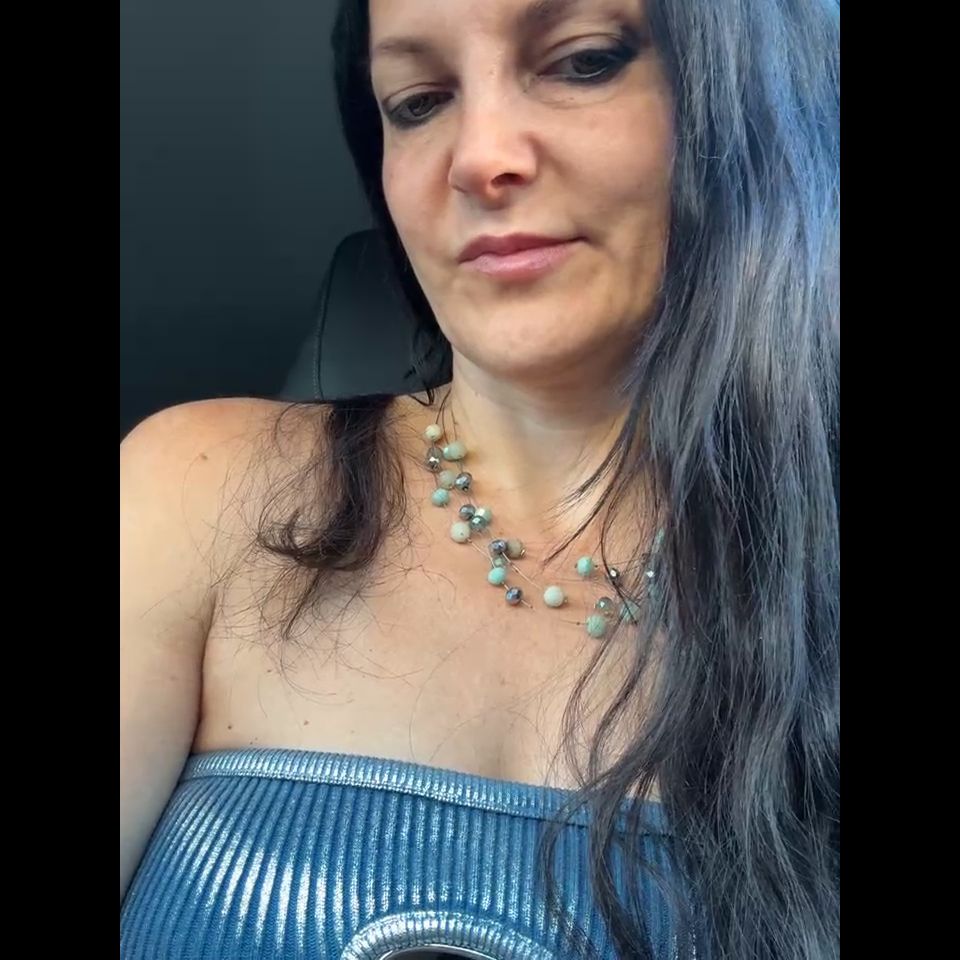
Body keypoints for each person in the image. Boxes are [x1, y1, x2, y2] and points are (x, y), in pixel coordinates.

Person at [120, 1, 840, 958]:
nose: (479, 156)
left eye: (584, 61)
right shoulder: (193, 491)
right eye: (418, 101)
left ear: (749, 100)